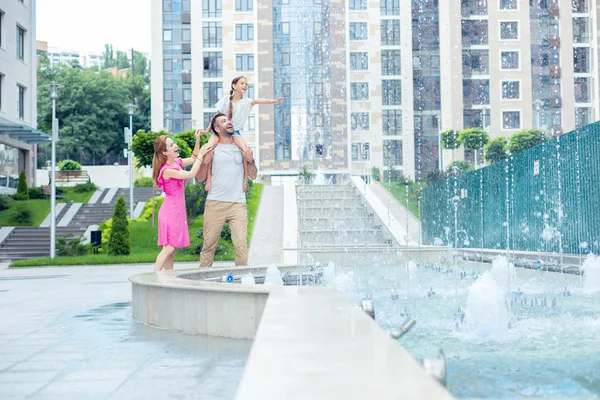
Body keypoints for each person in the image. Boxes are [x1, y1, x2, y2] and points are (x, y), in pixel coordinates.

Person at [196, 113, 257, 268]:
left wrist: (251, 160)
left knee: (241, 245)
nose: (229, 122)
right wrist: (204, 162)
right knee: (209, 246)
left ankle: (242, 280)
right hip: (215, 203)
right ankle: (202, 281)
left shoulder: (241, 147)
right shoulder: (211, 148)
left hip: (237, 204)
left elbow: (253, 175)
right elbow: (200, 178)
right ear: (216, 128)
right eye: (224, 121)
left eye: (229, 120)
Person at [204, 76, 283, 192]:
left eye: (246, 84)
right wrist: (207, 131)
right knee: (208, 149)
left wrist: (273, 101)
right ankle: (208, 178)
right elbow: (216, 117)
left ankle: (245, 180)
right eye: (242, 83)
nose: (245, 85)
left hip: (235, 132)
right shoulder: (225, 100)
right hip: (220, 131)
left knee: (246, 151)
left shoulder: (246, 102)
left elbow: (258, 101)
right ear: (234, 85)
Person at [152, 131, 212, 272]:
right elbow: (191, 174)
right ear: (165, 152)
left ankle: (167, 278)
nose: (175, 146)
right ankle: (154, 279)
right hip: (170, 212)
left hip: (176, 211)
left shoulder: (177, 163)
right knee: (169, 248)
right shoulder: (166, 170)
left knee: (172, 250)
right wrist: (201, 155)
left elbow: (193, 158)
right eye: (171, 145)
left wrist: (197, 141)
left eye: (174, 143)